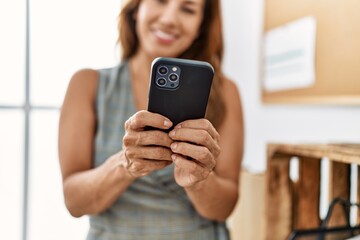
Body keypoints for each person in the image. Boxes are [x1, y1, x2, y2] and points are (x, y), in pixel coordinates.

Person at [58, 0, 244, 239]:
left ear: (201, 26)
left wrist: (198, 181)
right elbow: (74, 202)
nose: (169, 19)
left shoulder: (225, 92)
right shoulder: (87, 84)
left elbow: (225, 208)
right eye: (160, 1)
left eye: (188, 9)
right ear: (136, 9)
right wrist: (124, 164)